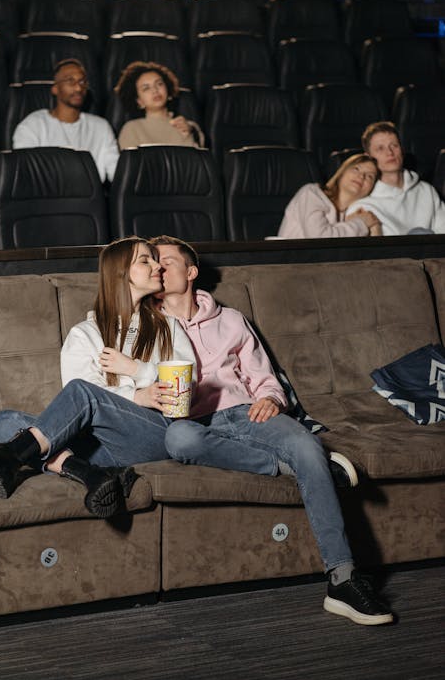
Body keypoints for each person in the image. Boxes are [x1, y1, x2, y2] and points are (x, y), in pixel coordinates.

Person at [150, 234, 394, 626]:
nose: (158, 270)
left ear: (191, 272)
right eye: (153, 264)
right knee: (178, 439)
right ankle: (299, 469)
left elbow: (262, 377)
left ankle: (343, 579)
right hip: (195, 422)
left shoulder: (230, 320)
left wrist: (272, 400)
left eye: (166, 262)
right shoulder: (147, 323)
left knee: (308, 445)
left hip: (249, 414)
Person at [0, 237, 196, 518]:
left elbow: (188, 383)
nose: (157, 266)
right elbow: (78, 402)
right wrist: (136, 394)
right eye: (146, 260)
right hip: (101, 446)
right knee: (3, 422)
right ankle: (91, 474)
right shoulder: (85, 334)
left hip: (154, 432)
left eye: (155, 259)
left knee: (80, 393)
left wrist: (138, 377)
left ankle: (9, 460)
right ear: (120, 273)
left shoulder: (167, 326)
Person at [13, 59, 120, 184]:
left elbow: (116, 173)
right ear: (55, 89)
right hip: (45, 198)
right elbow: (24, 171)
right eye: (70, 81)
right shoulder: (32, 125)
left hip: (90, 198)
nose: (78, 87)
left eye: (82, 81)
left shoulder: (101, 126)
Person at [347, 121, 445, 235]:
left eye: (394, 145)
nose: (389, 152)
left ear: (402, 150)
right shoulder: (362, 206)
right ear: (369, 157)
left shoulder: (426, 191)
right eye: (380, 148)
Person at [278, 153, 381, 238]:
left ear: (371, 189)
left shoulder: (358, 213)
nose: (361, 176)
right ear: (341, 173)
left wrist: (375, 227)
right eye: (356, 169)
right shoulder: (312, 193)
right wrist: (361, 223)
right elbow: (319, 238)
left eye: (369, 176)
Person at [115, 61, 204, 150]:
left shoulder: (187, 126)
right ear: (139, 101)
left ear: (168, 91)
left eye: (159, 84)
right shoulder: (132, 129)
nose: (155, 90)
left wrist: (191, 132)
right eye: (146, 88)